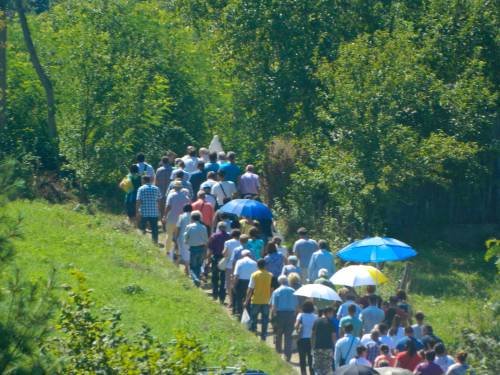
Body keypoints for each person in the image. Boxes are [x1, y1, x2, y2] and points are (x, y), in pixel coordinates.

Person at [270, 275, 299, 362]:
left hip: (280, 314)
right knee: (288, 336)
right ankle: (288, 356)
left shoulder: (276, 291)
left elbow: (274, 306)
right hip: (291, 314)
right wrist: (295, 314)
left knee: (278, 334)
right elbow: (296, 305)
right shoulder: (293, 290)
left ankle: (278, 353)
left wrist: (274, 317)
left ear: (279, 282)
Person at [245, 258, 272, 340]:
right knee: (265, 319)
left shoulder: (254, 275)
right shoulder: (270, 275)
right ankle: (263, 336)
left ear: (257, 265)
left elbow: (250, 289)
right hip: (266, 300)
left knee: (254, 318)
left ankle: (254, 333)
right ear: (265, 265)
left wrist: (246, 300)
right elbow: (271, 289)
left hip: (256, 299)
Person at [163, 180, 191, 259]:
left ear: (174, 187)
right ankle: (178, 252)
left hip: (171, 218)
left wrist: (164, 216)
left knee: (169, 235)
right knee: (178, 236)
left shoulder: (171, 195)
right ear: (181, 187)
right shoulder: (186, 197)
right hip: (181, 219)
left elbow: (168, 206)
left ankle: (168, 251)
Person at [184, 211, 209, 287]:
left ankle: (195, 279)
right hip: (201, 248)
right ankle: (197, 281)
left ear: (192, 218)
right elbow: (206, 240)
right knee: (198, 266)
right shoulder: (203, 227)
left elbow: (185, 237)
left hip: (193, 248)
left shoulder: (189, 227)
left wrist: (187, 242)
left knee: (192, 266)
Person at [208, 222, 231, 304]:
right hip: (225, 259)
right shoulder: (229, 236)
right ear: (225, 228)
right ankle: (222, 297)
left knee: (214, 277)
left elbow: (210, 249)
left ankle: (215, 295)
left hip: (216, 258)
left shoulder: (214, 236)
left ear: (218, 227)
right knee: (223, 278)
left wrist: (208, 260)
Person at [136, 175, 161, 243]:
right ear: (150, 180)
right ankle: (155, 241)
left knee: (143, 227)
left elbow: (138, 200)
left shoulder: (141, 189)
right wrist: (159, 211)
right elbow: (159, 201)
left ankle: (142, 241)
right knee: (154, 228)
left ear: (143, 180)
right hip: (154, 212)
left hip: (144, 211)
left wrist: (137, 211)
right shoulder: (156, 188)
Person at [232, 249, 257, 317]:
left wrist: (234, 284)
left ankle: (239, 312)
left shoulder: (239, 261)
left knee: (239, 297)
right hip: (250, 282)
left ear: (242, 255)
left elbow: (236, 274)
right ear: (250, 255)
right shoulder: (254, 263)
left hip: (241, 281)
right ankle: (248, 314)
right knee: (248, 298)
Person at [311, 307, 336, 375]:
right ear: (328, 313)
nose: (332, 315)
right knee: (327, 368)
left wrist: (312, 346)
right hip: (328, 348)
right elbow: (333, 336)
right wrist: (334, 347)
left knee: (317, 367)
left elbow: (313, 335)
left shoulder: (316, 321)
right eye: (332, 313)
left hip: (317, 347)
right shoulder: (330, 323)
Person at [295, 301, 317, 375]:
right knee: (311, 359)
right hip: (312, 340)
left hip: (302, 339)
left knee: (302, 358)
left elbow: (296, 326)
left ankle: (303, 373)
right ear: (312, 308)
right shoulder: (315, 316)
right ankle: (312, 373)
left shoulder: (300, 315)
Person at [222, 230, 241, 309]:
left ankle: (231, 301)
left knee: (229, 284)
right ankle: (238, 302)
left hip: (230, 265)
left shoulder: (227, 242)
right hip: (240, 266)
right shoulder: (242, 242)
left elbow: (224, 253)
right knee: (238, 284)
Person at [174, 204, 193, 275]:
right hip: (191, 237)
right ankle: (186, 269)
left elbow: (178, 227)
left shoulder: (181, 216)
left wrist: (176, 237)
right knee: (188, 253)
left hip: (182, 237)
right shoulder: (193, 216)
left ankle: (185, 269)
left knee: (182, 253)